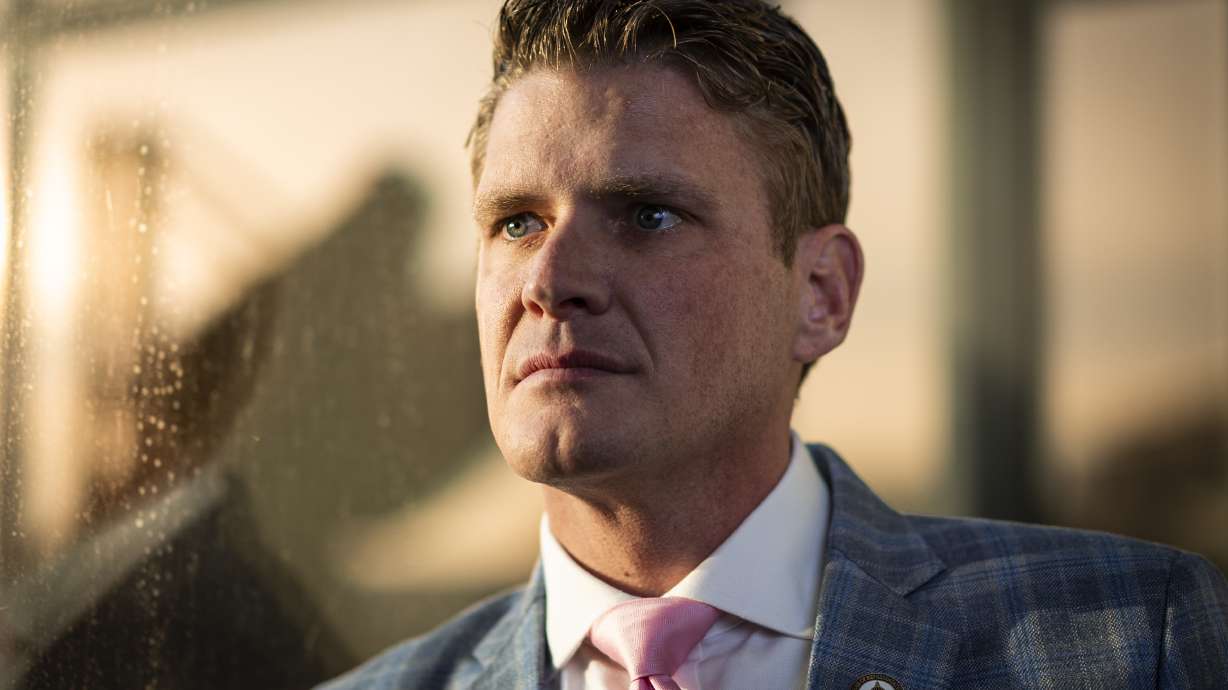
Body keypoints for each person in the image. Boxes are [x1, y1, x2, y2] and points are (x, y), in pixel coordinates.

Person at [319, 0, 1228, 688]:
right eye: (517, 223)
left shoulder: (1133, 639)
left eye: (647, 215)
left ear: (821, 293)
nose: (551, 280)